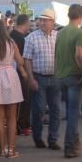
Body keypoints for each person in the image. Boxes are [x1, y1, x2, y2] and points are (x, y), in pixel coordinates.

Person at [0, 18, 28, 158]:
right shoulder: (11, 43)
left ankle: (1, 150)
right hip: (9, 75)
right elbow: (20, 61)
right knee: (11, 117)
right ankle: (11, 149)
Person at [54, 4, 82, 157]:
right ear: (81, 16)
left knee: (70, 111)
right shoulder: (81, 33)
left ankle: (74, 143)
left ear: (68, 15)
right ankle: (69, 147)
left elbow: (56, 55)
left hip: (60, 76)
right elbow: (78, 55)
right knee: (73, 113)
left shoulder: (60, 33)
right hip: (75, 76)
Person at [23, 9, 61, 150]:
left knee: (56, 110)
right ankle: (38, 138)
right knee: (38, 110)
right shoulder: (31, 37)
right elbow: (27, 60)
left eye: (46, 20)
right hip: (39, 78)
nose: (43, 22)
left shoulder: (59, 36)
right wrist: (30, 79)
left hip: (56, 78)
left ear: (53, 22)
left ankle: (53, 139)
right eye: (41, 20)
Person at [9, 14, 32, 135]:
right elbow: (20, 59)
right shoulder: (19, 38)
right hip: (19, 73)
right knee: (23, 99)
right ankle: (22, 125)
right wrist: (24, 72)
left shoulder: (11, 35)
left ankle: (20, 125)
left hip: (13, 73)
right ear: (26, 23)